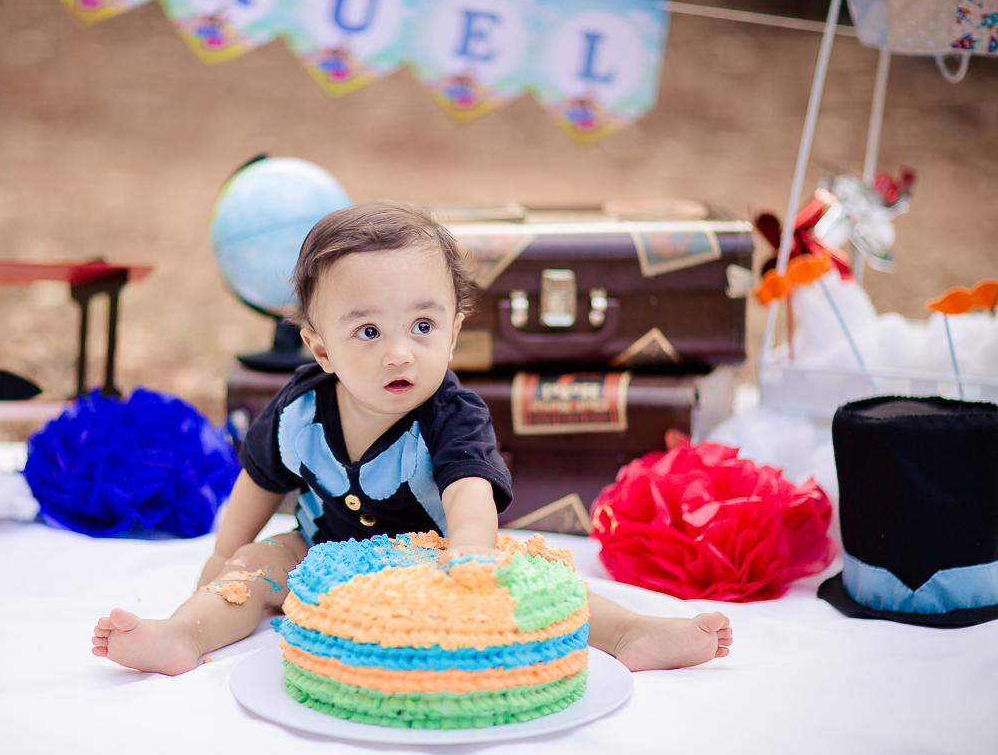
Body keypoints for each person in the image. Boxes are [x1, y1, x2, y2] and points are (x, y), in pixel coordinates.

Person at [92, 201, 733, 676]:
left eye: (422, 325)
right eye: (368, 332)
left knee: (536, 575)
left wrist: (474, 553)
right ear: (321, 346)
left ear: (453, 332)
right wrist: (220, 562)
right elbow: (255, 490)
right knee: (250, 573)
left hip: (435, 560)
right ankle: (181, 637)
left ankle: (628, 635)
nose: (400, 353)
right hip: (318, 559)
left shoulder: (453, 416)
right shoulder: (299, 412)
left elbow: (469, 496)